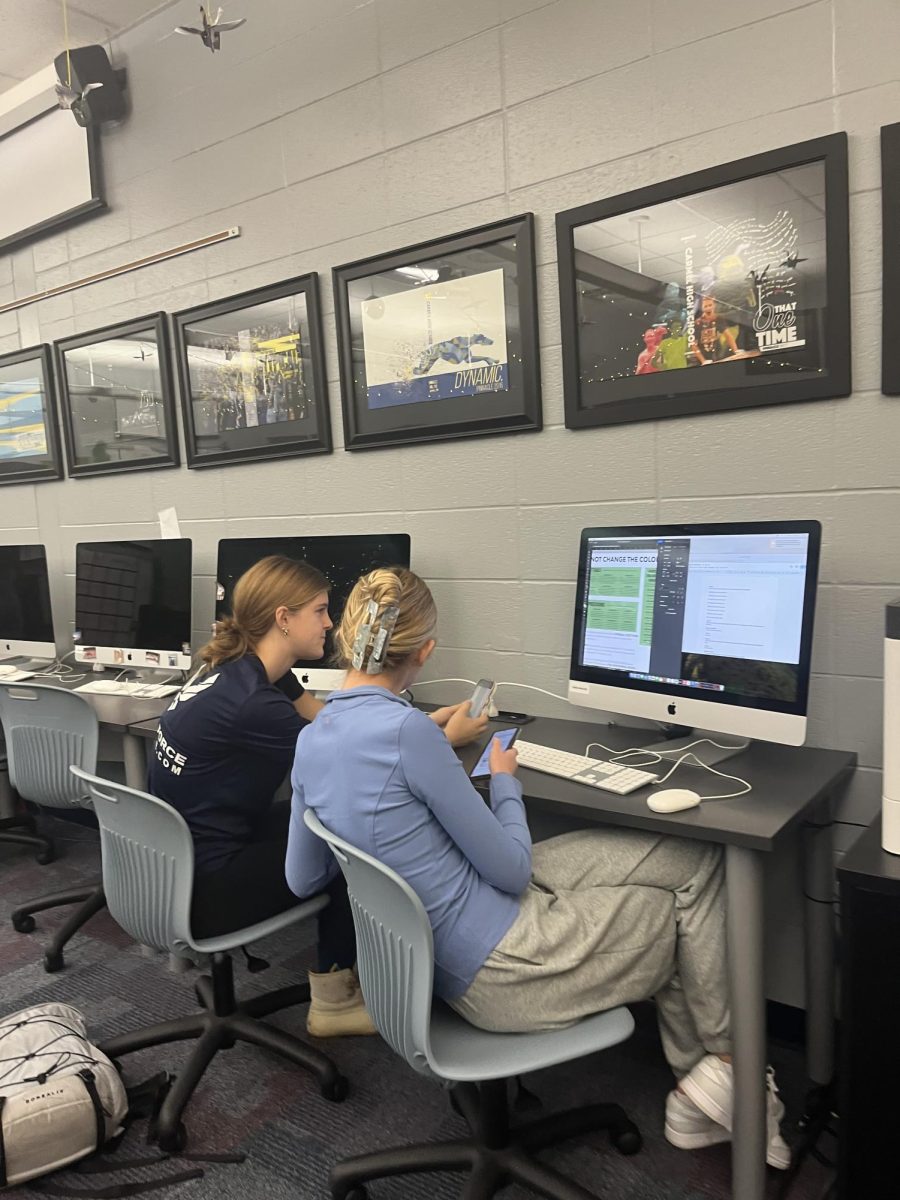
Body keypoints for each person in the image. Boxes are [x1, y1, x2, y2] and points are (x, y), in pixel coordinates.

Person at [285, 568, 791, 1167]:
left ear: (346, 637)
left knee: (694, 859)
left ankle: (711, 1081)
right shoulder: (406, 734)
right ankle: (723, 1078)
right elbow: (512, 871)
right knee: (672, 910)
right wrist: (504, 784)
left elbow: (302, 877)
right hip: (499, 965)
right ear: (425, 650)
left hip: (439, 942)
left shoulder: (312, 741)